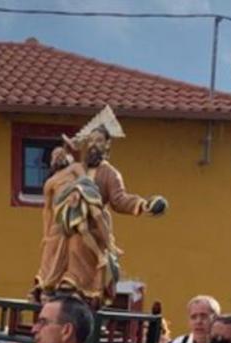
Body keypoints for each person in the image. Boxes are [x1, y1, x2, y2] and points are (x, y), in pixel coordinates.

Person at [35, 107, 167, 305]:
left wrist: (143, 204)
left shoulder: (110, 173)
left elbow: (119, 199)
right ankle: (49, 286)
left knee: (78, 242)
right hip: (68, 221)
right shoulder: (79, 167)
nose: (94, 145)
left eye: (99, 141)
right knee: (55, 239)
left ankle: (74, 285)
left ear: (107, 145)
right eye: (92, 141)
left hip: (93, 226)